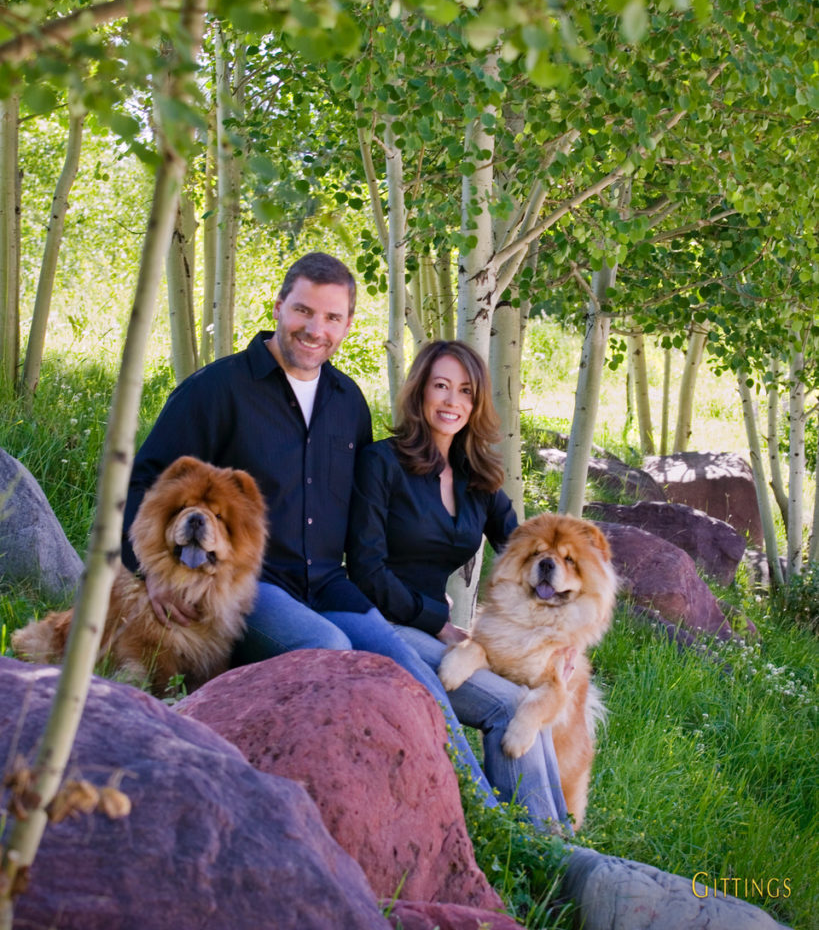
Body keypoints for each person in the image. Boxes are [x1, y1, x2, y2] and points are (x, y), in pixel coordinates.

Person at [122, 252, 498, 806]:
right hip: (250, 588)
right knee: (330, 648)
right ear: (279, 306)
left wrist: (424, 607)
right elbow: (144, 482)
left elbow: (372, 521)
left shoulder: (348, 402)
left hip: (328, 582)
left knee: (409, 670)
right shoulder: (218, 389)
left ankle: (481, 814)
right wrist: (148, 574)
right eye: (303, 311)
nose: (315, 330)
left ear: (347, 325)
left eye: (332, 318)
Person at [345, 340, 570, 830]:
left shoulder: (479, 480)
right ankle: (537, 852)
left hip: (430, 629)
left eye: (465, 391)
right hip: (377, 622)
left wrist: (562, 632)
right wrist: (441, 624)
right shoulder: (380, 464)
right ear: (420, 392)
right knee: (508, 706)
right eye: (441, 386)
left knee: (532, 706)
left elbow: (526, 555)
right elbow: (366, 570)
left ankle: (562, 839)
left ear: (477, 402)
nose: (452, 402)